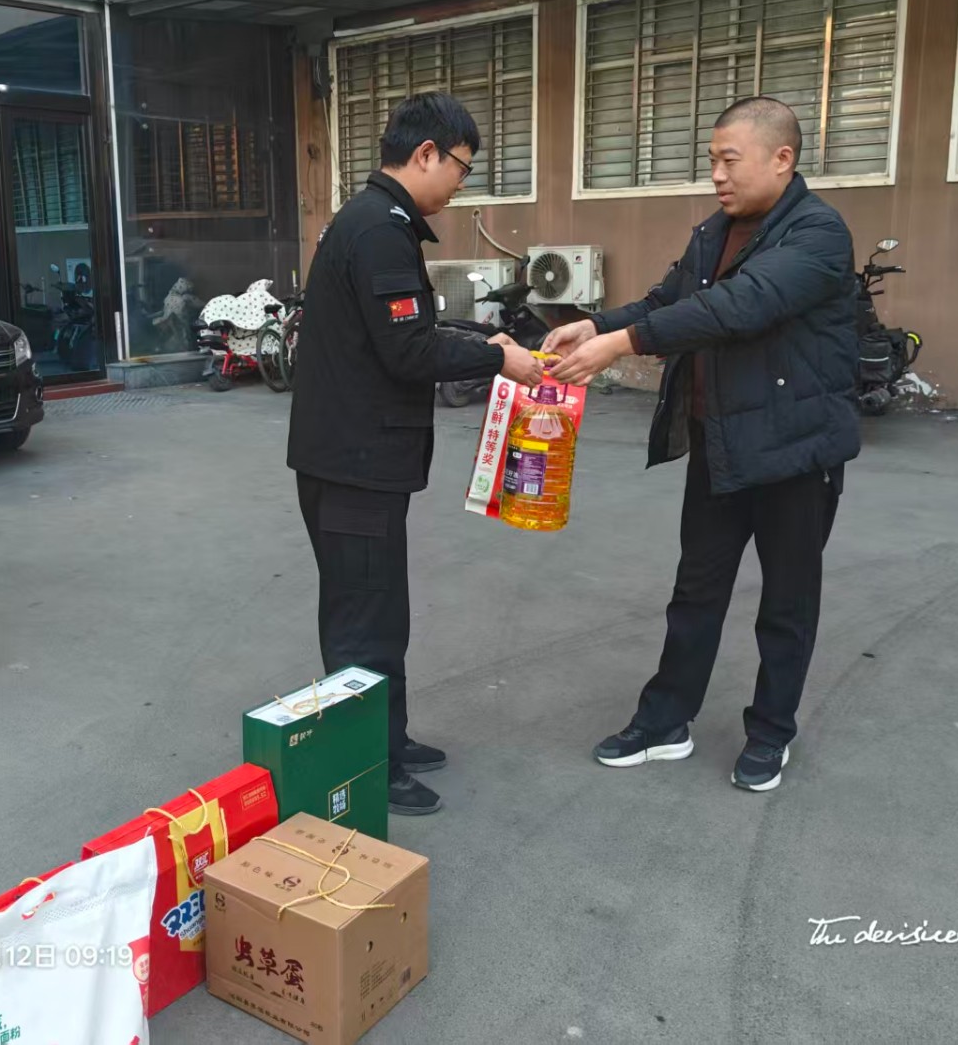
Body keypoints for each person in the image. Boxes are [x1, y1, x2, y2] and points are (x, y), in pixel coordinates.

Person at [543, 96, 858, 793]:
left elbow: (741, 307)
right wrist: (595, 323)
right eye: (712, 160)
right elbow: (667, 302)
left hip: (795, 451)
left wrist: (620, 346)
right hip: (720, 445)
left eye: (729, 160)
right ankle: (665, 721)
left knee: (787, 602)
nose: (716, 174)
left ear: (782, 158)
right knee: (695, 591)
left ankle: (770, 733)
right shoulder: (713, 232)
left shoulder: (818, 233)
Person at [288, 92, 544, 816]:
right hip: (353, 466)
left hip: (357, 461)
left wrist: (485, 340)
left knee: (380, 612)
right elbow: (407, 351)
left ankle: (389, 740)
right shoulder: (379, 230)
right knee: (363, 623)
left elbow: (405, 329)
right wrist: (498, 360)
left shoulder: (379, 221)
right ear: (426, 153)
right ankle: (366, 766)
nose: (461, 183)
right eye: (461, 166)